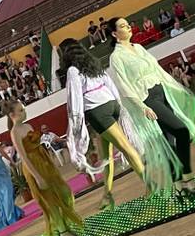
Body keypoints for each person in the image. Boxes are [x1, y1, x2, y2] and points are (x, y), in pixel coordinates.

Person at [108, 16, 195, 196]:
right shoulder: (116, 57)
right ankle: (188, 180)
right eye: (123, 26)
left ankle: (179, 187)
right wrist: (142, 106)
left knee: (169, 141)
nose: (128, 27)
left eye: (128, 24)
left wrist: (176, 87)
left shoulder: (138, 47)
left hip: (161, 92)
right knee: (182, 131)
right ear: (114, 34)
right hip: (147, 98)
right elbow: (123, 85)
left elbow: (158, 69)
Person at [59, 38, 144, 210]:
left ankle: (152, 186)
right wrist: (118, 107)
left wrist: (75, 126)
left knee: (126, 148)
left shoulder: (73, 71)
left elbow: (75, 100)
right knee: (106, 156)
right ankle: (107, 196)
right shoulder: (93, 63)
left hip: (98, 112)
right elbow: (110, 83)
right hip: (111, 105)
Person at [6, 100, 84, 236]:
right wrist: (36, 176)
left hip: (44, 161)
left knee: (65, 192)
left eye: (24, 109)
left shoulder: (28, 125)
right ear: (12, 115)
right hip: (33, 167)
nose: (24, 112)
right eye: (21, 110)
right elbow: (23, 156)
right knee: (50, 201)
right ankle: (63, 232)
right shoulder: (14, 132)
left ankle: (65, 223)